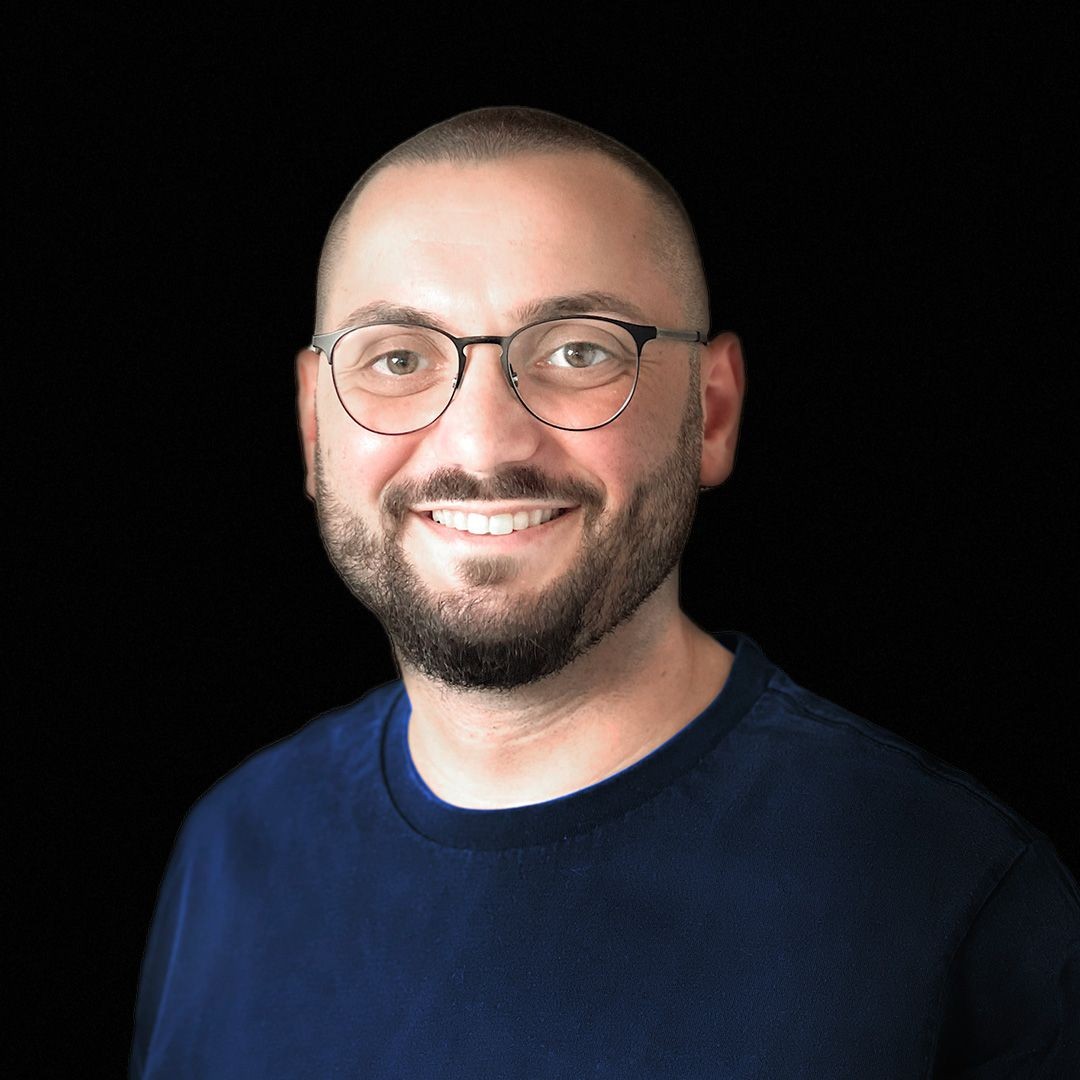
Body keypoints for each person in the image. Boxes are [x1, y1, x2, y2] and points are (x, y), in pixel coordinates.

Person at [131, 107, 1079, 1077]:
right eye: (398, 359)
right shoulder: (232, 847)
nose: (484, 443)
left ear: (711, 414)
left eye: (579, 350)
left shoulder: (956, 893)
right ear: (312, 424)